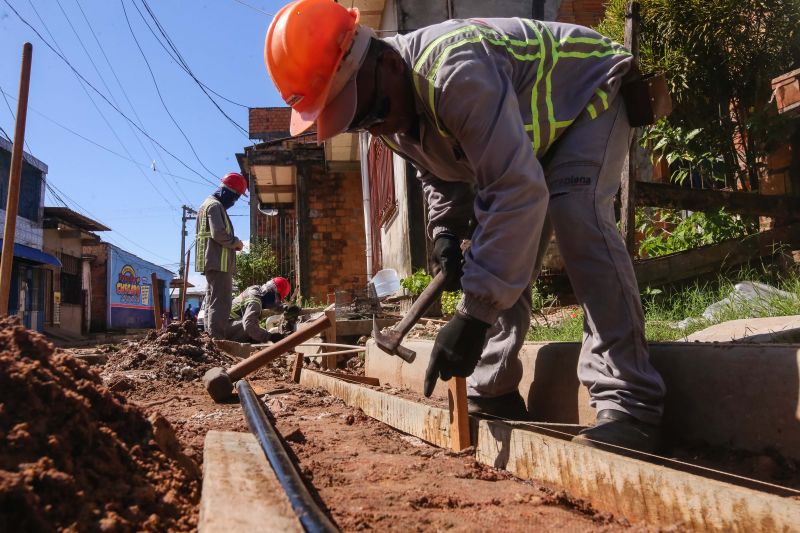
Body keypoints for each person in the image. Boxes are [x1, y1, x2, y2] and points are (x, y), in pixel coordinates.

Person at [264, 0, 668, 453]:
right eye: (360, 121)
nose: (377, 126)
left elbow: (516, 193)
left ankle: (629, 401)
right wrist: (446, 232)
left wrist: (473, 315)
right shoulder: (388, 107)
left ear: (391, 63)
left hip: (590, 93)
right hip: (532, 136)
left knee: (578, 216)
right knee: (493, 240)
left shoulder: (454, 71)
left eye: (372, 110)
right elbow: (437, 171)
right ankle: (493, 388)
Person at [195, 173, 246, 339]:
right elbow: (219, 234)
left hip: (212, 262)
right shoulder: (215, 206)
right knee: (221, 302)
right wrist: (236, 242)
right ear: (227, 192)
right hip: (219, 262)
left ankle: (211, 338)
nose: (234, 202)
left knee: (211, 302)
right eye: (235, 197)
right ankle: (218, 340)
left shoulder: (205, 205)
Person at [226, 277, 292, 343]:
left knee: (257, 333)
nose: (276, 302)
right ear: (272, 293)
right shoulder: (255, 301)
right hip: (225, 328)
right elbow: (248, 325)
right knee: (253, 328)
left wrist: (285, 308)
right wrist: (270, 337)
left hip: (227, 325)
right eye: (277, 299)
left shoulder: (257, 290)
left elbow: (271, 307)